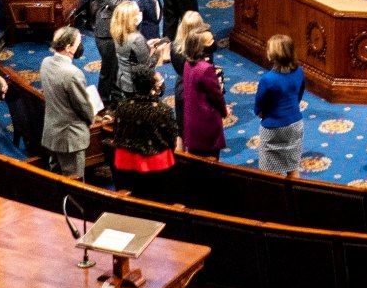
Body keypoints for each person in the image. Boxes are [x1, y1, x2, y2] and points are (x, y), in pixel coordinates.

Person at [111, 69, 179, 200]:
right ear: (153, 86)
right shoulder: (163, 110)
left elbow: (117, 133)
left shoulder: (122, 106)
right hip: (156, 165)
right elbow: (172, 139)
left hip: (125, 163)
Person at [39, 26, 96, 176]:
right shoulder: (72, 73)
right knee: (74, 184)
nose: (80, 46)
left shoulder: (45, 62)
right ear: (68, 47)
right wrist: (92, 119)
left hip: (52, 132)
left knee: (55, 176)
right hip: (70, 138)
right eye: (78, 43)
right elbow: (83, 106)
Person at [255, 34, 307, 177]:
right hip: (295, 124)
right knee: (293, 166)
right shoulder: (299, 71)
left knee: (271, 173)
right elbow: (299, 95)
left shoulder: (267, 79)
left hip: (273, 129)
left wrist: (266, 115)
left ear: (273, 54)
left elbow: (259, 107)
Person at [177, 29, 231, 159]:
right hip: (206, 125)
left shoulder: (187, 64)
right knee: (210, 164)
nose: (214, 43)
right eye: (210, 41)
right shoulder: (206, 69)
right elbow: (216, 96)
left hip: (192, 122)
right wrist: (224, 111)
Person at [91, 0, 133, 95]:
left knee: (119, 67)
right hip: (106, 30)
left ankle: (116, 98)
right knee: (108, 69)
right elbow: (116, 3)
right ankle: (105, 100)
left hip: (121, 26)